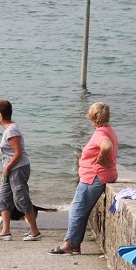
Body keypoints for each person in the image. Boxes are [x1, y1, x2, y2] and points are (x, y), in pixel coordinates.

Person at [48, 102, 118, 254]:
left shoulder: (100, 133)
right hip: (102, 175)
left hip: (94, 177)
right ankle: (75, 245)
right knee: (81, 210)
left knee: (77, 210)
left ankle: (68, 245)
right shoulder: (108, 130)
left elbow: (106, 146)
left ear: (93, 117)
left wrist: (100, 157)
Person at [0, 99, 41, 241]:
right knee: (2, 199)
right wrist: (6, 169)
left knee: (21, 199)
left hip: (17, 168)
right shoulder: (9, 129)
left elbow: (18, 153)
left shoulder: (12, 130)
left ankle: (35, 232)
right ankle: (5, 231)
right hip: (11, 168)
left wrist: (7, 168)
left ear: (0, 115)